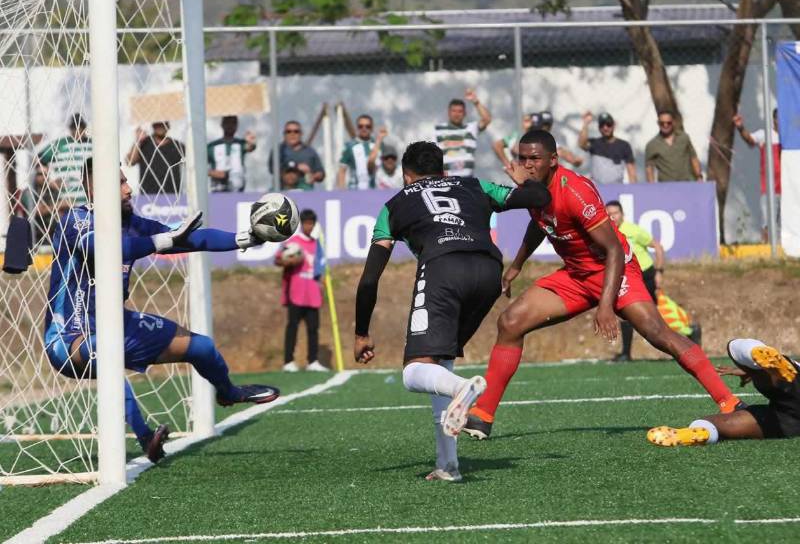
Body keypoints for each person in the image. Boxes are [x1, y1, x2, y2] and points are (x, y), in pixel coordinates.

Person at [462, 130, 743, 440]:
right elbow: (541, 223)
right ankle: (482, 415)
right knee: (510, 322)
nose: (527, 165)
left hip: (615, 270)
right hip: (576, 275)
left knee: (657, 333)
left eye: (535, 159)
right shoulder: (533, 189)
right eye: (522, 158)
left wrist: (606, 306)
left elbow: (613, 252)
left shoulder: (576, 192)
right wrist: (516, 265)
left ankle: (730, 402)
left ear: (553, 161)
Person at [43, 158, 279, 463]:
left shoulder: (135, 225)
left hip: (116, 324)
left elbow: (193, 238)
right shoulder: (75, 221)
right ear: (94, 188)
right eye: (120, 183)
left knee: (202, 348)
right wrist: (162, 240)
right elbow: (106, 248)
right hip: (70, 336)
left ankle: (229, 392)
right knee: (109, 354)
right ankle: (146, 438)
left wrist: (243, 238)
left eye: (126, 181)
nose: (129, 190)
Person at [353, 141, 551, 481]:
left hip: (443, 271)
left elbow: (370, 278)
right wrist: (526, 182)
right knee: (439, 365)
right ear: (444, 171)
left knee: (414, 373)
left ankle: (463, 389)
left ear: (406, 175)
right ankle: (448, 466)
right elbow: (539, 199)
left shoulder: (395, 204)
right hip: (489, 272)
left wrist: (361, 332)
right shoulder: (474, 184)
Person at [648, 339, 800, 447]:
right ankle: (706, 431)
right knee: (778, 376)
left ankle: (701, 431)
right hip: (791, 418)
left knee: (733, 345)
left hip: (789, 415)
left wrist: (753, 371)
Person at [606, 200, 663, 362]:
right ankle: (626, 353)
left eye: (615, 213)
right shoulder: (606, 232)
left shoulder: (633, 230)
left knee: (655, 315)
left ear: (622, 214)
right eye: (608, 214)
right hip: (627, 277)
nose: (612, 217)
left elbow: (657, 246)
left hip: (646, 275)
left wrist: (659, 272)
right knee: (626, 314)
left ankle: (689, 334)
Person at [275, 209, 328, 372]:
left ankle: (313, 361)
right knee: (292, 326)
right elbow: (278, 260)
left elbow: (320, 267)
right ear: (301, 224)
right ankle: (288, 361)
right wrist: (288, 262)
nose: (309, 226)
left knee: (313, 329)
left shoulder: (316, 244)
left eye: (311, 224)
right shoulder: (293, 243)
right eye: (306, 223)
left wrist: (322, 280)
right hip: (296, 291)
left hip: (312, 293)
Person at [733, 109, 781, 243]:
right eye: (779, 118)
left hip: (787, 188)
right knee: (767, 223)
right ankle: (766, 251)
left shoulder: (791, 136)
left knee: (785, 223)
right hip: (769, 188)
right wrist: (740, 127)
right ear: (774, 119)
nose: (782, 121)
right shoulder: (765, 134)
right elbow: (749, 139)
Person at [35, 114, 93, 206]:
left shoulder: (93, 145)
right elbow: (39, 159)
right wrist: (50, 182)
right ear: (70, 129)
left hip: (90, 200)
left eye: (80, 127)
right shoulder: (61, 144)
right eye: (74, 128)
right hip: (67, 202)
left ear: (84, 128)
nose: (77, 131)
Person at [434, 88, 491, 177]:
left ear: (465, 113)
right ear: (448, 112)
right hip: (446, 181)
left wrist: (476, 101)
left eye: (460, 111)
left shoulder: (470, 128)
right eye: (454, 111)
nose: (457, 114)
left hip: (467, 181)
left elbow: (487, 119)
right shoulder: (438, 130)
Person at [127, 121, 185, 195]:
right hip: (147, 197)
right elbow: (130, 162)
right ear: (153, 125)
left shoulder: (178, 145)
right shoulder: (144, 143)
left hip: (173, 196)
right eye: (158, 123)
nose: (160, 126)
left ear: (168, 125)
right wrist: (138, 141)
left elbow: (191, 166)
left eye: (163, 123)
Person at [578, 112, 636, 184]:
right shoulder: (594, 143)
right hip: (597, 189)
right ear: (599, 128)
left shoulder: (624, 145)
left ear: (613, 125)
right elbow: (582, 144)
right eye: (602, 125)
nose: (605, 128)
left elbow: (631, 171)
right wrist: (586, 123)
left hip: (617, 189)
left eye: (608, 124)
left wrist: (634, 190)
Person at [645, 111, 703, 182]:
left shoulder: (684, 137)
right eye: (662, 123)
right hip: (667, 187)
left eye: (668, 123)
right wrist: (652, 187)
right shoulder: (652, 145)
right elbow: (649, 168)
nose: (665, 125)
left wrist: (699, 177)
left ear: (673, 122)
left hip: (688, 183)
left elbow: (693, 158)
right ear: (658, 123)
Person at [269, 120, 325, 191]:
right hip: (281, 189)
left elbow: (321, 173)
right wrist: (297, 166)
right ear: (284, 134)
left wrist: (313, 176)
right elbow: (272, 169)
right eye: (288, 131)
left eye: (296, 131)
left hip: (304, 188)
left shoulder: (310, 152)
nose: (292, 134)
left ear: (301, 134)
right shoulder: (278, 151)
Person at [207, 115, 256, 192]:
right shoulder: (212, 146)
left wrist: (251, 141)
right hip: (217, 188)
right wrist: (213, 173)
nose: (230, 125)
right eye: (227, 122)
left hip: (237, 189)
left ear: (237, 125)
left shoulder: (240, 144)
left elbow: (251, 147)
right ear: (222, 124)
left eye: (233, 123)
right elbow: (199, 167)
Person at [336, 116, 387, 190]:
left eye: (367, 126)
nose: (364, 129)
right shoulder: (349, 146)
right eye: (361, 126)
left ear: (372, 128)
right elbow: (342, 170)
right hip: (354, 191)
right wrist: (341, 192)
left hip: (375, 191)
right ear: (357, 128)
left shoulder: (378, 145)